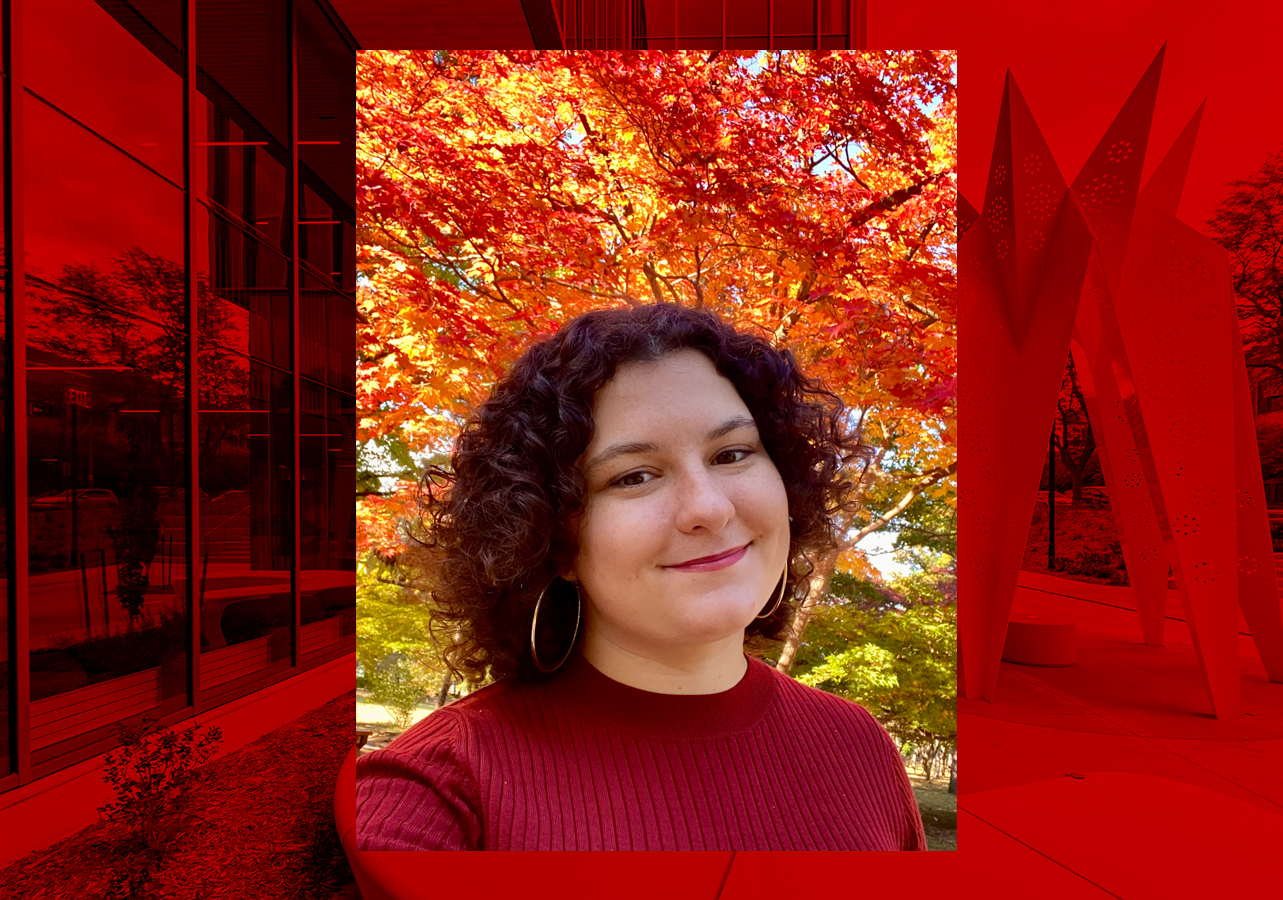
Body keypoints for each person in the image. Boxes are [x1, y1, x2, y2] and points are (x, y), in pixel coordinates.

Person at [356, 303, 927, 851]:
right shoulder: (433, 791)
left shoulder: (861, 750)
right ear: (554, 542)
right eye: (634, 477)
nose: (710, 508)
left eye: (731, 454)